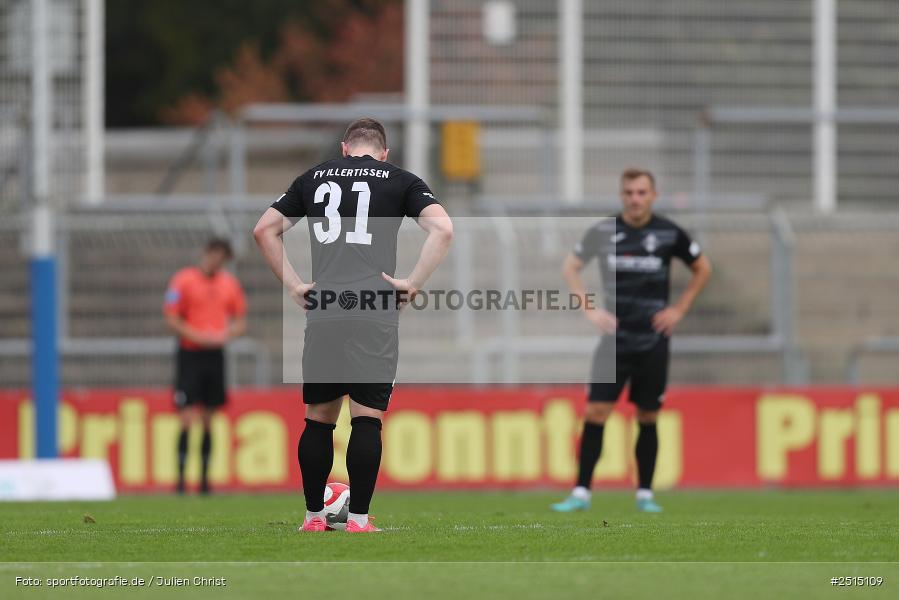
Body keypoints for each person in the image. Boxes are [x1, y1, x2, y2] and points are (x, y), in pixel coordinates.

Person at [253, 118, 453, 533]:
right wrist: (413, 283)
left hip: (325, 306)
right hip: (373, 307)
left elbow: (264, 230)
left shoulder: (314, 178)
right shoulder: (400, 180)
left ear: (344, 148)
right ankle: (359, 520)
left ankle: (313, 517)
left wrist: (294, 285)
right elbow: (443, 229)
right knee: (366, 418)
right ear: (384, 153)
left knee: (318, 418)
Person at [552, 168, 711, 513]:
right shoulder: (604, 231)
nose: (635, 199)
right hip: (614, 340)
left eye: (641, 192)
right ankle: (581, 493)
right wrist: (590, 309)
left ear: (653, 195)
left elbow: (702, 267)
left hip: (653, 339)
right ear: (621, 195)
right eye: (629, 192)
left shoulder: (669, 232)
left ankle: (645, 495)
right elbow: (570, 267)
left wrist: (679, 309)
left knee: (648, 415)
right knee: (595, 411)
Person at [163, 238, 247, 495]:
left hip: (214, 355)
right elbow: (171, 318)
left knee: (209, 419)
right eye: (215, 256)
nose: (217, 262)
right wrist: (197, 336)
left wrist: (224, 335)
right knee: (187, 417)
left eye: (222, 259)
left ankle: (204, 482)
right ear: (206, 253)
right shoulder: (183, 280)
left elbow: (240, 321)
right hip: (190, 354)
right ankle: (180, 481)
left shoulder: (229, 284)